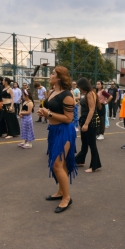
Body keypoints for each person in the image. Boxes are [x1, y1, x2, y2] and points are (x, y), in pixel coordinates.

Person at [39, 66, 77, 213]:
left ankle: (67, 198)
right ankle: (61, 192)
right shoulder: (52, 92)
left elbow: (69, 119)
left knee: (57, 165)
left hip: (64, 131)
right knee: (62, 165)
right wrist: (44, 113)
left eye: (53, 73)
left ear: (60, 78)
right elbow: (52, 112)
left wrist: (48, 114)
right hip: (53, 131)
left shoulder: (67, 95)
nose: (50, 75)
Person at [75, 78, 102, 173]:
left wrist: (86, 124)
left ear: (83, 86)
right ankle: (79, 160)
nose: (79, 89)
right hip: (85, 120)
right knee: (85, 143)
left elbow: (92, 109)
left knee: (92, 144)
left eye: (79, 87)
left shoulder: (90, 94)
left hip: (90, 122)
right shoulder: (88, 93)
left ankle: (95, 166)